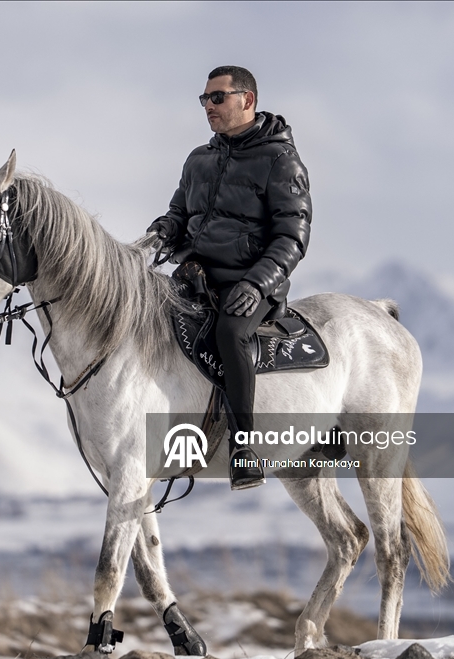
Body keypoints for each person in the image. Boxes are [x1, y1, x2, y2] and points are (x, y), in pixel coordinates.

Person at [148, 65, 311, 490]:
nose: (208, 107)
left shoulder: (280, 161)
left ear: (247, 100)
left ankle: (244, 447)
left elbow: (292, 236)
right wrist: (166, 230)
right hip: (197, 276)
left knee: (229, 333)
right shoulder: (198, 159)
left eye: (217, 98)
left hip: (249, 283)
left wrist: (257, 284)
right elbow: (180, 214)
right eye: (204, 99)